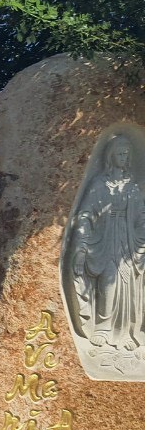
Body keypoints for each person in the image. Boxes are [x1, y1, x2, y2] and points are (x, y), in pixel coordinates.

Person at [69, 134, 145, 349]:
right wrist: (83, 237)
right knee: (109, 280)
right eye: (120, 153)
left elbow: (141, 214)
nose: (123, 157)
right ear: (111, 156)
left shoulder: (131, 186)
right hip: (105, 238)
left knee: (128, 283)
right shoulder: (99, 183)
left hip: (129, 240)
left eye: (126, 154)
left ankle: (126, 333)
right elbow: (85, 213)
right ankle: (103, 327)